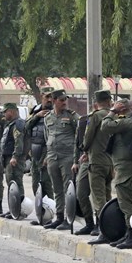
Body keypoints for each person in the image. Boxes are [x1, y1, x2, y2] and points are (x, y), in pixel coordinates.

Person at [100, 98, 132, 249]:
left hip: (127, 171)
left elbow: (105, 126)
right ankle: (129, 234)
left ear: (122, 108)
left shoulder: (128, 121)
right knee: (131, 202)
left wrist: (112, 110)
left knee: (126, 204)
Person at [81, 90, 114, 245]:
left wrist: (84, 149)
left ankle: (102, 229)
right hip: (111, 162)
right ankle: (112, 226)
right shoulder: (114, 116)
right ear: (109, 100)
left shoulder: (96, 116)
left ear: (97, 101)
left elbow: (88, 137)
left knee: (98, 197)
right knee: (108, 196)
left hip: (97, 161)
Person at [43, 89, 79, 230]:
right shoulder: (48, 118)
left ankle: (68, 218)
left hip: (67, 156)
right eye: (61, 100)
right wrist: (47, 154)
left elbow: (80, 134)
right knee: (56, 188)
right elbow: (48, 137)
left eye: (65, 100)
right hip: (53, 156)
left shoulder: (71, 116)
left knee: (68, 188)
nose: (64, 102)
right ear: (54, 100)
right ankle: (59, 217)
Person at [25, 87, 55, 225]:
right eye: (46, 97)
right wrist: (37, 116)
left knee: (47, 186)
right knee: (36, 185)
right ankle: (40, 215)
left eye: (51, 97)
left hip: (47, 153)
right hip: (35, 154)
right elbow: (25, 128)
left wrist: (48, 156)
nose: (49, 100)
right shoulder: (35, 112)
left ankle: (49, 216)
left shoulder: (55, 113)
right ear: (41, 97)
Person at [0, 103, 26, 218]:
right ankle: (12, 209)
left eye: (5, 112)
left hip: (14, 159)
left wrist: (15, 156)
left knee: (16, 183)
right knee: (11, 184)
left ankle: (18, 210)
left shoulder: (18, 124)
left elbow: (19, 142)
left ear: (11, 111)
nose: (4, 114)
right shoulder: (10, 124)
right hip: (8, 158)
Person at [72, 112, 94, 235]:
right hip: (85, 161)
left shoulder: (109, 119)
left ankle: (103, 225)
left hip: (102, 161)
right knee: (81, 193)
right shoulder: (83, 120)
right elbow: (78, 143)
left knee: (100, 196)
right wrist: (75, 161)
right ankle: (89, 222)